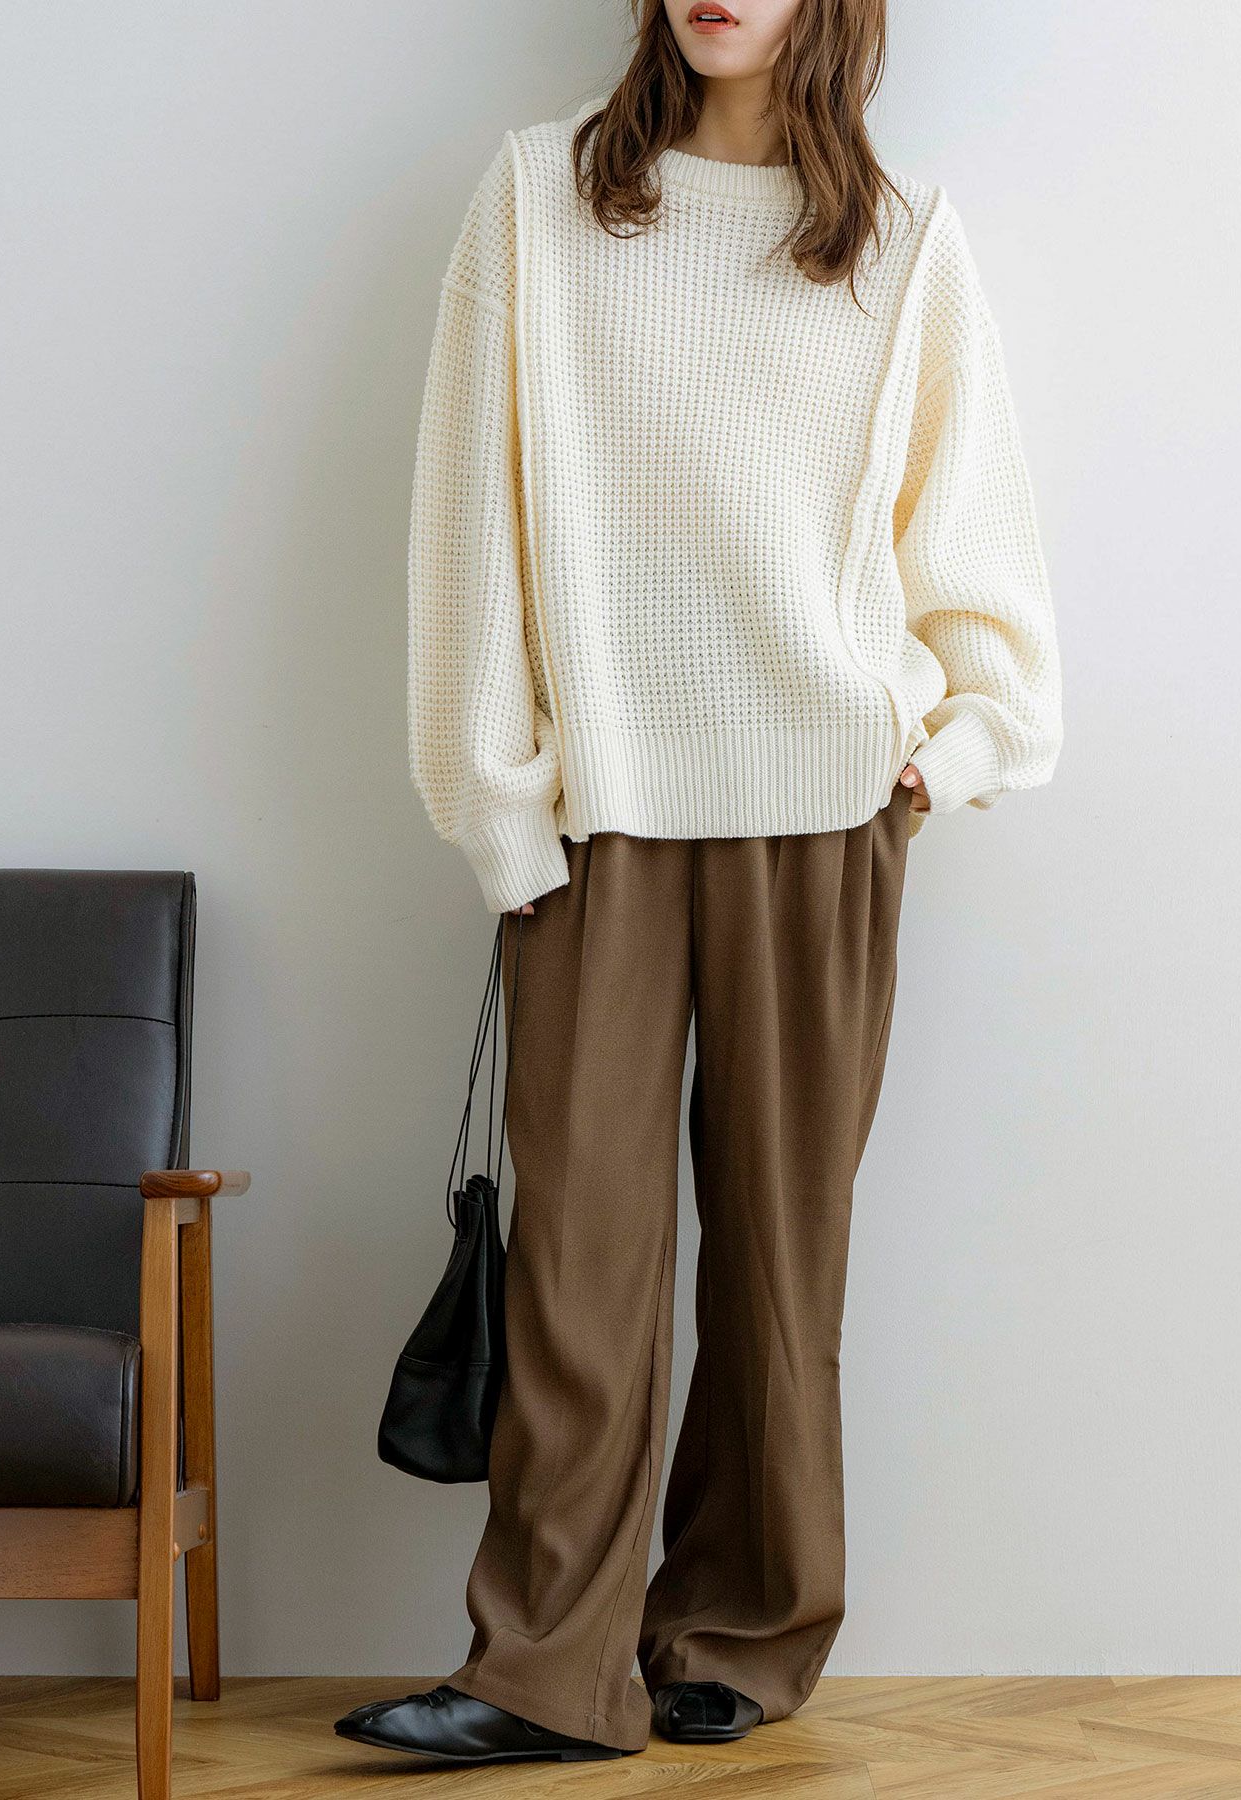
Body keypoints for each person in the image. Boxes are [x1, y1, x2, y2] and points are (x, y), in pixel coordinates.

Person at [337, 0, 1062, 1769]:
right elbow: (468, 525)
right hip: (598, 815)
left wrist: (946, 751)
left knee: (779, 1264)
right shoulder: (539, 198)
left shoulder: (904, 239)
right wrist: (495, 808)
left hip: (827, 813)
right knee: (579, 1264)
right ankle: (544, 1671)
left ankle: (737, 1625)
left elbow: (973, 544)